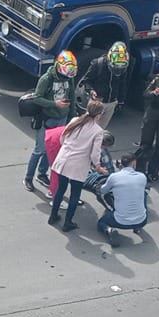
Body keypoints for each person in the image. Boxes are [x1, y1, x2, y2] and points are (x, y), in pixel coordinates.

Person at [24, 50, 81, 192]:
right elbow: (36, 98)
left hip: (61, 119)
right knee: (39, 149)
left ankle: (42, 174)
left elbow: (72, 96)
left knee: (51, 150)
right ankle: (28, 178)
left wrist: (72, 117)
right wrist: (55, 104)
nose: (66, 78)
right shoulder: (46, 79)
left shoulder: (69, 78)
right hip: (46, 119)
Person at [48, 99, 109, 232]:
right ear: (99, 115)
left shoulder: (75, 120)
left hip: (64, 159)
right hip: (78, 165)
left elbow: (63, 137)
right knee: (75, 194)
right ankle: (68, 222)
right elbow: (95, 153)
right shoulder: (98, 131)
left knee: (60, 190)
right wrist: (98, 166)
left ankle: (53, 216)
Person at [97, 153, 150, 244]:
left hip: (120, 221)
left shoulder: (114, 177)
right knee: (143, 193)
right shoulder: (142, 177)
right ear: (134, 163)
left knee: (101, 222)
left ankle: (109, 230)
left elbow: (103, 190)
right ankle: (137, 228)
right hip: (142, 220)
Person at [79, 41, 132, 106]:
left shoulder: (122, 69)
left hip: (112, 102)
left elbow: (122, 84)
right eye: (116, 66)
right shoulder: (98, 64)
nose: (118, 69)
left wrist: (121, 100)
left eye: (120, 67)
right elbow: (86, 81)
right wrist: (91, 90)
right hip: (96, 102)